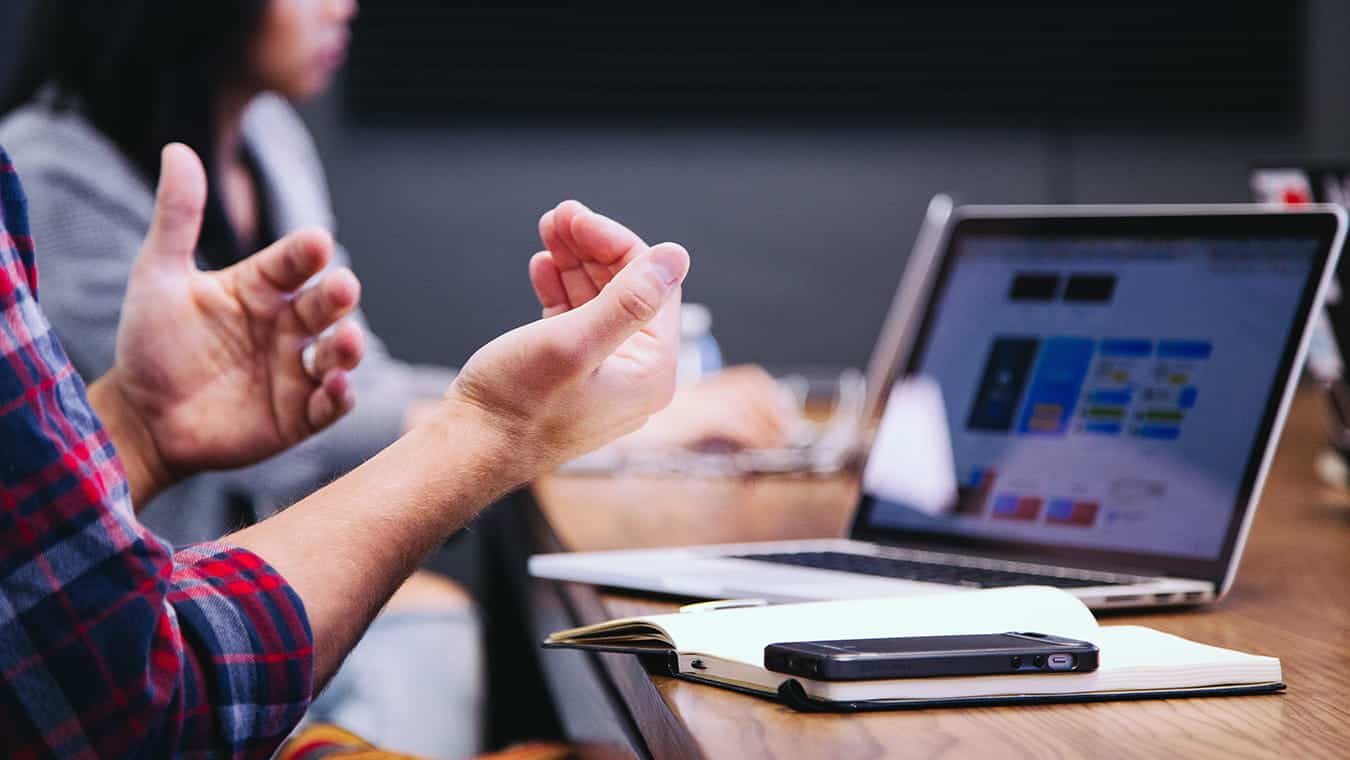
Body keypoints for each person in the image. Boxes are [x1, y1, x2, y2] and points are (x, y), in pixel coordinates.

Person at [0, 2, 792, 754]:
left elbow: (345, 389)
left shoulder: (268, 136)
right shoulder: (46, 173)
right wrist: (513, 423)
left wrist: (141, 426)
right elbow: (141, 701)